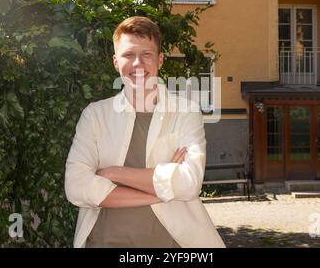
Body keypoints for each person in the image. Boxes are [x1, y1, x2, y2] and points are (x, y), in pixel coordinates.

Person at [65, 16, 225, 248]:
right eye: (128, 55)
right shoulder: (95, 116)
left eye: (146, 54)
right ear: (115, 62)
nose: (138, 63)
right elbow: (76, 187)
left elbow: (189, 184)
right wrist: (161, 190)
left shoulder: (185, 112)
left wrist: (112, 172)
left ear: (159, 60)